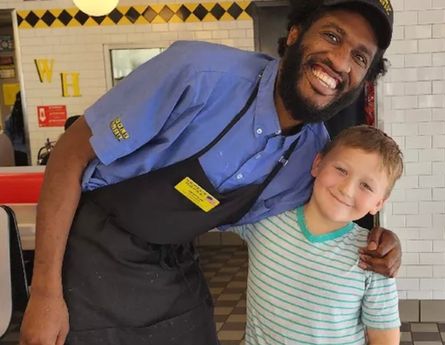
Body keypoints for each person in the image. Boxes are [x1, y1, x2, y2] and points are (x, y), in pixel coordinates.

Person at [19, 0, 400, 344]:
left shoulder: (313, 157)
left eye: (360, 57)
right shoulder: (197, 73)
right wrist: (43, 294)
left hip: (173, 265)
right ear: (295, 34)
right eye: (332, 35)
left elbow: (325, 215)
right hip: (92, 252)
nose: (340, 60)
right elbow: (69, 155)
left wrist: (382, 240)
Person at [230, 125, 402, 344]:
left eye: (366, 186)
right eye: (341, 170)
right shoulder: (266, 219)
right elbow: (212, 214)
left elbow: (384, 338)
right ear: (318, 164)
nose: (346, 189)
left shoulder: (374, 257)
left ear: (378, 203)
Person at [3, 91, 28, 165]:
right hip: (26, 151)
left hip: (15, 151)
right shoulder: (28, 119)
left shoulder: (10, 119)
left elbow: (7, 137)